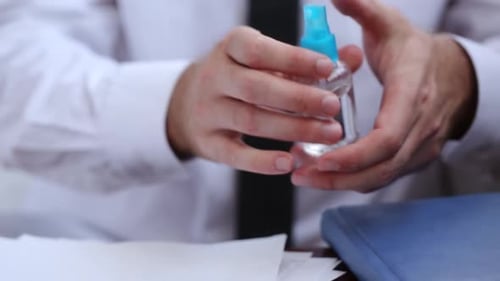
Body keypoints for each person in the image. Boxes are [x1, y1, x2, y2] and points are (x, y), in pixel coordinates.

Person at [0, 0, 499, 246]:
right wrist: (172, 106)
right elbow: (15, 55)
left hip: (381, 246)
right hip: (120, 247)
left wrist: (465, 78)